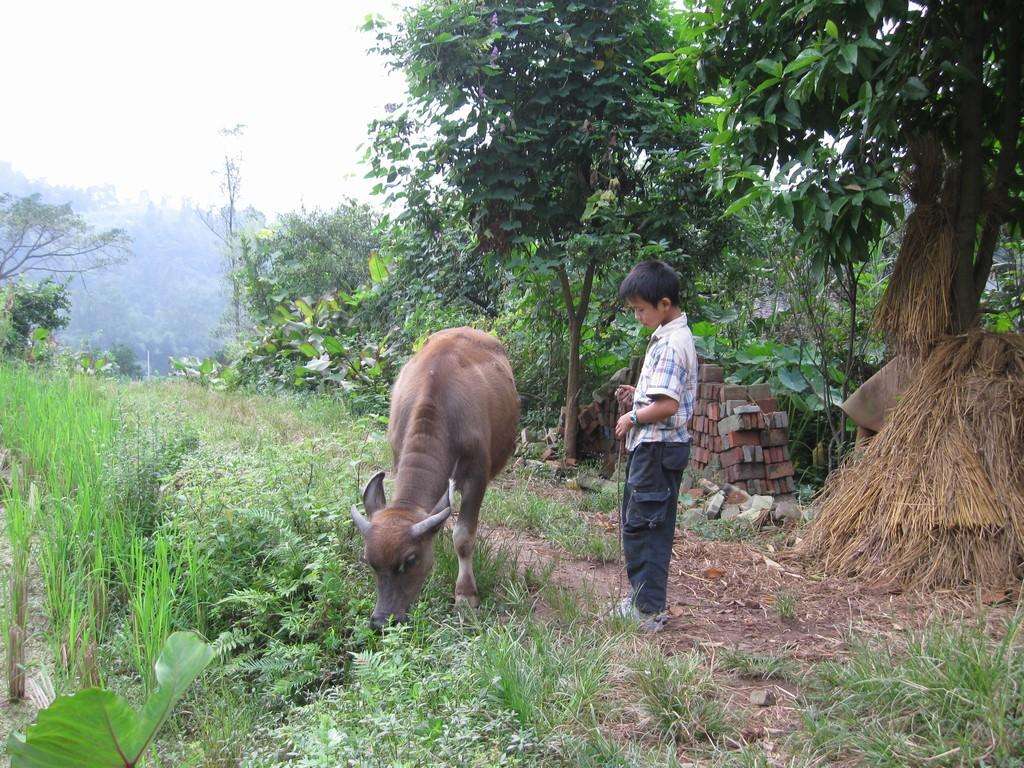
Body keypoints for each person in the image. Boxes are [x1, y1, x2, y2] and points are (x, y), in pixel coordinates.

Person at [611, 260, 697, 632]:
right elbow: (660, 395)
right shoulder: (667, 336)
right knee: (640, 523)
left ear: (664, 304)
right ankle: (641, 597)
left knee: (647, 526)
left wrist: (633, 416)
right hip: (657, 447)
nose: (638, 317)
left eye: (640, 310)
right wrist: (638, 396)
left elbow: (669, 405)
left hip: (658, 448)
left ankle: (648, 609)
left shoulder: (673, 344)